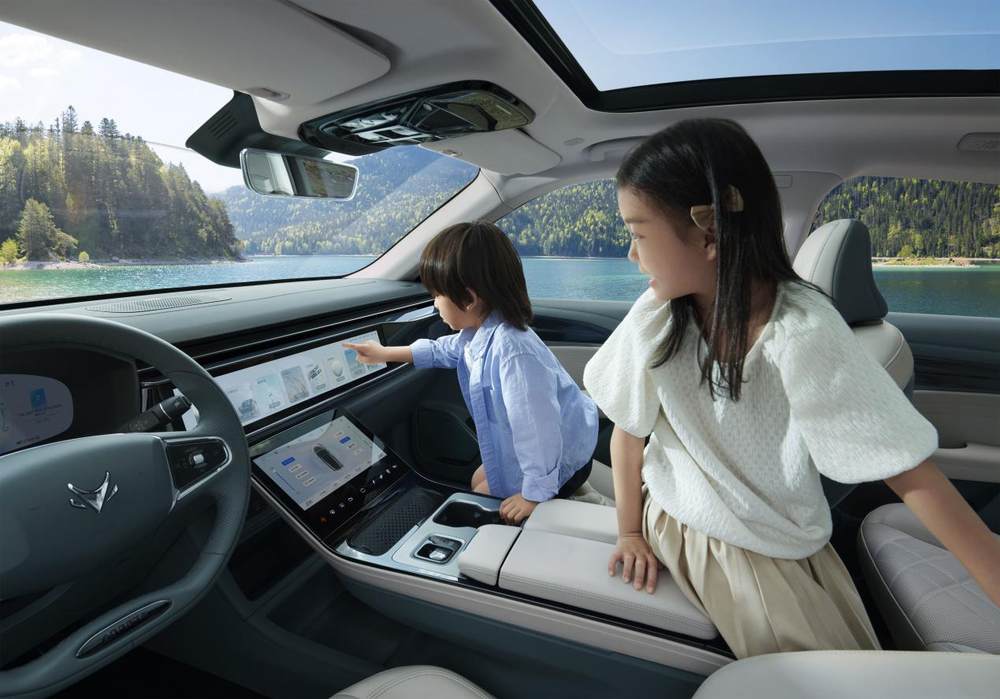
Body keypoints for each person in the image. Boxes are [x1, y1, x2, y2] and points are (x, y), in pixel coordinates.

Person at [582, 118, 1000, 658]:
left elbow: (910, 473)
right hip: (695, 526)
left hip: (785, 539)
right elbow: (628, 431)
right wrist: (630, 533)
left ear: (709, 234)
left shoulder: (800, 330)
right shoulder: (656, 315)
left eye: (638, 234)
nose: (631, 256)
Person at [346, 221, 598, 524]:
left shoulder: (514, 353)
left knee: (484, 493)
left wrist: (533, 495)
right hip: (540, 451)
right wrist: (386, 353)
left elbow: (537, 431)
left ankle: (558, 504)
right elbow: (443, 350)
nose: (434, 304)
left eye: (437, 295)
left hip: (562, 462)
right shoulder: (480, 332)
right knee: (479, 480)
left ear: (468, 298)